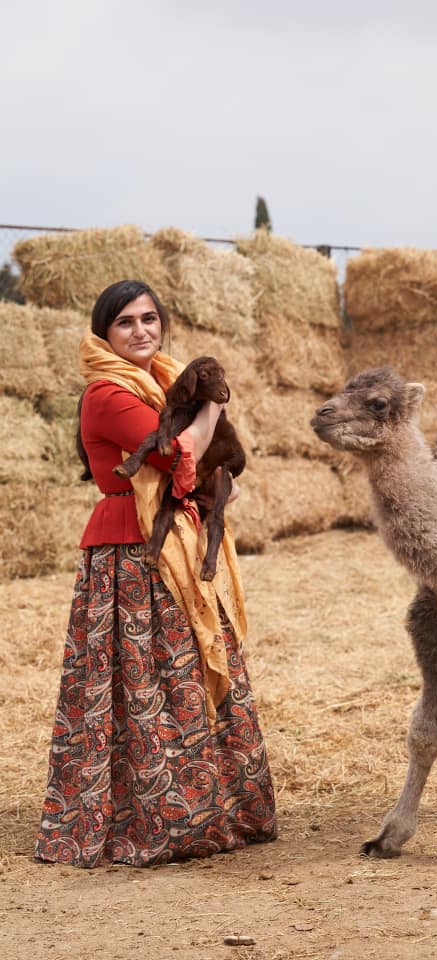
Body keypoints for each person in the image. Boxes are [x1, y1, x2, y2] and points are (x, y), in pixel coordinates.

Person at [34, 279, 276, 867]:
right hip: (132, 549)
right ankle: (155, 818)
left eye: (149, 318)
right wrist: (215, 401)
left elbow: (199, 470)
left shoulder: (162, 384)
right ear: (105, 333)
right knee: (140, 680)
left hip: (179, 539)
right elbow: (178, 456)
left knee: (193, 670)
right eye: (126, 322)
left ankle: (219, 807)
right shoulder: (107, 395)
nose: (142, 331)